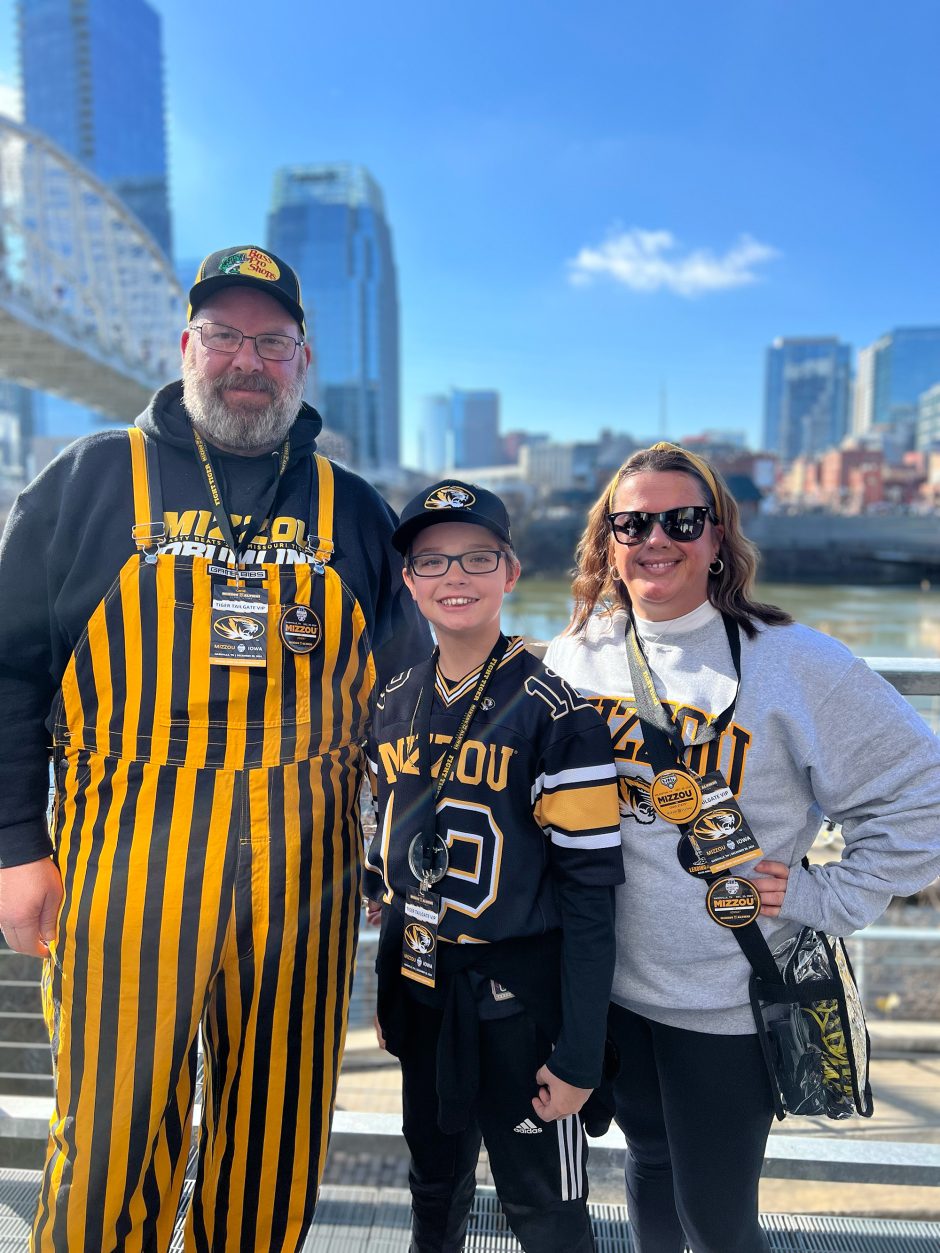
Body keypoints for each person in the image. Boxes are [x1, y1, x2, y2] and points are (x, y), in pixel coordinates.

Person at [0, 245, 429, 1252]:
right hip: (124, 868)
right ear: (184, 345)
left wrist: (401, 864)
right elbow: (10, 670)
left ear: (303, 360)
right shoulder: (88, 479)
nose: (249, 360)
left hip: (306, 885)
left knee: (272, 1149)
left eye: (271, 341)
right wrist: (18, 845)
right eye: (227, 336)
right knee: (108, 1145)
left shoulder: (354, 508)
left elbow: (406, 707)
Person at [544, 442, 940, 1253]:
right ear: (607, 541)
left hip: (729, 999)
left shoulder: (796, 661)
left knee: (720, 1222)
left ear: (718, 537)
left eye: (682, 520)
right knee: (646, 1168)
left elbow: (923, 792)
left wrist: (817, 893)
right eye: (633, 521)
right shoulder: (576, 652)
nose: (656, 538)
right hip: (613, 989)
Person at [364, 479, 625, 1253]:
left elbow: (590, 897)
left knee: (545, 1209)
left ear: (511, 572)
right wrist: (391, 987)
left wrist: (579, 1049)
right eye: (432, 561)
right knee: (432, 1191)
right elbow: (401, 868)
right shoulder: (394, 698)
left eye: (478, 557)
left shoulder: (559, 712)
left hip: (521, 1006)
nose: (455, 577)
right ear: (407, 580)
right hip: (424, 992)